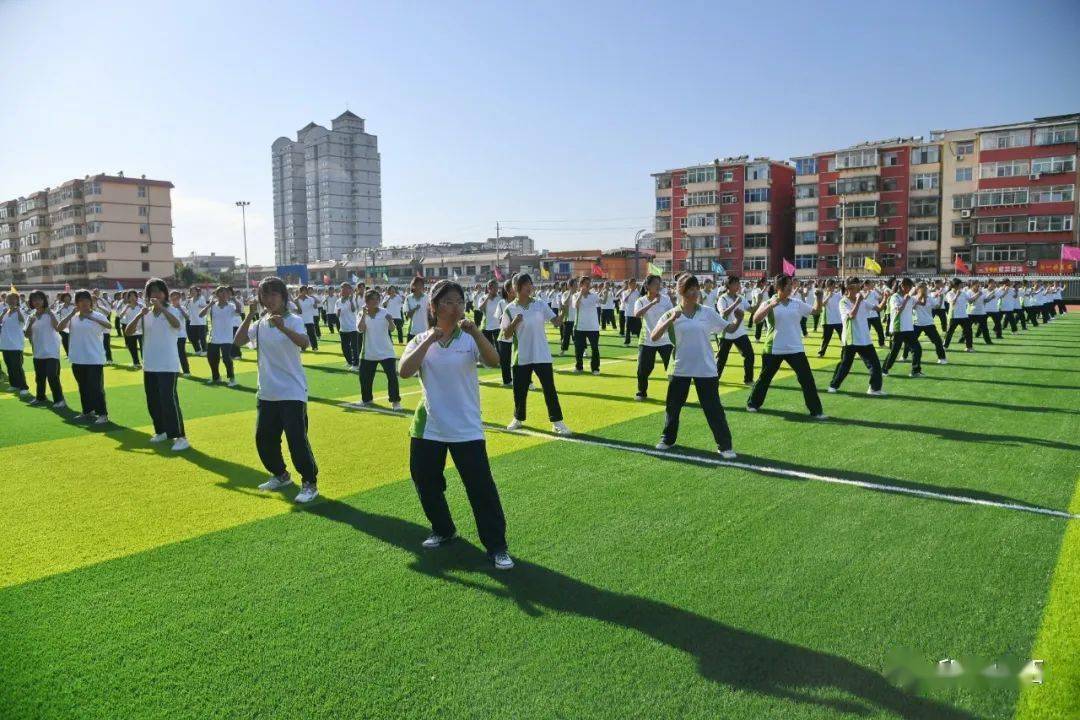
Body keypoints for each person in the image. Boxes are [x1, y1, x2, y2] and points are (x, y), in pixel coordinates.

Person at [399, 279, 513, 570]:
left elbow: (494, 361)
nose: (455, 308)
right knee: (425, 480)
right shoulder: (420, 339)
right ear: (434, 306)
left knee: (480, 488)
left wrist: (476, 332)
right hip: (429, 426)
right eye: (448, 302)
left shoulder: (469, 338)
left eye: (459, 302)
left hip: (465, 425)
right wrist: (429, 340)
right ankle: (443, 529)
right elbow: (404, 371)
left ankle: (497, 546)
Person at [233, 277, 319, 504]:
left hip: (292, 391)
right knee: (264, 439)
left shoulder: (293, 320)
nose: (269, 299)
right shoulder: (260, 323)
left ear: (283, 296)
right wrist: (250, 315)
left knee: (296, 440)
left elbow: (305, 342)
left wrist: (283, 328)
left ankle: (309, 482)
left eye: (273, 294)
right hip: (267, 391)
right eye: (265, 295)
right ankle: (280, 475)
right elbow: (238, 341)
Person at [649, 274, 737, 458]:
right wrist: (670, 320)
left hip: (705, 368)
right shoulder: (672, 313)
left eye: (696, 288)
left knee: (713, 408)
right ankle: (667, 439)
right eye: (690, 288)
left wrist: (739, 320)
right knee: (673, 407)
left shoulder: (707, 312)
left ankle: (725, 446)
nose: (695, 292)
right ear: (681, 291)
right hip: (680, 368)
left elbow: (728, 328)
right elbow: (654, 336)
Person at [501, 273, 572, 436]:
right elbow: (506, 334)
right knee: (519, 391)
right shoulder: (509, 308)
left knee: (549, 389)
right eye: (526, 284)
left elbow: (556, 322)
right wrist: (514, 322)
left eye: (530, 283)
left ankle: (557, 421)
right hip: (521, 356)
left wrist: (564, 311)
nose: (530, 287)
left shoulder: (539, 304)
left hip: (542, 354)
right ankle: (518, 418)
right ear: (516, 287)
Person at [747, 274, 825, 418]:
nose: (791, 287)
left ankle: (816, 411)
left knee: (807, 379)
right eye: (788, 285)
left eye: (791, 284)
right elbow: (756, 319)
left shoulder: (796, 303)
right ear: (778, 287)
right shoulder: (768, 302)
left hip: (795, 348)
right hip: (773, 348)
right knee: (765, 379)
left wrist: (819, 298)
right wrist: (770, 306)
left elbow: (816, 311)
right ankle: (753, 404)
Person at [126, 279, 190, 451]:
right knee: (153, 400)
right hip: (149, 363)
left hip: (168, 364)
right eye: (152, 291)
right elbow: (128, 332)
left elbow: (177, 325)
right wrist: (139, 315)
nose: (156, 294)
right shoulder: (145, 312)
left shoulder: (172, 310)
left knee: (169, 400)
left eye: (159, 291)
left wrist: (161, 308)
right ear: (148, 295)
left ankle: (180, 436)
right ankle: (161, 431)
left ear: (165, 293)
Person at [58, 290, 111, 423]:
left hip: (94, 358)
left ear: (91, 302)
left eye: (87, 300)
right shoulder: (73, 318)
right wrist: (71, 314)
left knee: (96, 387)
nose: (84, 303)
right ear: (76, 303)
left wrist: (93, 318)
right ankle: (87, 411)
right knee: (83, 386)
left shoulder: (98, 315)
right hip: (77, 358)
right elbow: (59, 327)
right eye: (80, 300)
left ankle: (102, 414)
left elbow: (109, 326)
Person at [827, 277, 884, 395]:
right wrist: (858, 301)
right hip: (851, 339)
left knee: (875, 365)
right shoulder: (843, 302)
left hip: (864, 339)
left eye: (859, 287)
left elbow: (878, 308)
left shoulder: (863, 302)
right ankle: (833, 385)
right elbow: (852, 315)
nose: (858, 290)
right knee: (845, 366)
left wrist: (886, 298)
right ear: (848, 288)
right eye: (856, 288)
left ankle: (874, 389)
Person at [356, 289, 402, 410]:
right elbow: (360, 329)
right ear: (367, 301)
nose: (376, 301)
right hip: (368, 353)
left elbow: (392, 329)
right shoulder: (361, 314)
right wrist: (364, 315)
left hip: (386, 352)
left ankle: (395, 401)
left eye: (377, 299)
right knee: (365, 378)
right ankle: (366, 399)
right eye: (373, 299)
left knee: (392, 377)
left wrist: (390, 321)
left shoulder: (384, 312)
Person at [633, 274, 673, 401]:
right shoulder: (641, 301)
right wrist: (652, 303)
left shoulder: (666, 299)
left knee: (672, 368)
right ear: (647, 286)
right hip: (647, 340)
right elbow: (636, 314)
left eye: (659, 283)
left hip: (665, 339)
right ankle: (642, 392)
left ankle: (675, 394)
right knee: (643, 369)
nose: (658, 286)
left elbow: (672, 314)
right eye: (655, 283)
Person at [23, 290, 65, 408]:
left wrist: (50, 313)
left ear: (43, 300)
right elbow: (27, 334)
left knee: (52, 375)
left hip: (52, 351)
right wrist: (31, 323)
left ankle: (59, 400)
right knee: (39, 377)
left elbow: (58, 328)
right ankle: (40, 397)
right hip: (38, 351)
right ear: (31, 302)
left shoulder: (51, 313)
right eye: (34, 300)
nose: (36, 302)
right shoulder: (31, 316)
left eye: (39, 299)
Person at [881, 278, 924, 378]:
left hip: (908, 328)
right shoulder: (894, 297)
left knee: (917, 349)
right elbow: (898, 311)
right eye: (909, 287)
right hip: (898, 328)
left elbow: (921, 303)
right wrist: (906, 299)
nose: (910, 289)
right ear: (903, 286)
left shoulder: (909, 297)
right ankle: (884, 370)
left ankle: (915, 371)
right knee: (894, 351)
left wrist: (922, 292)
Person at [715, 274, 754, 386]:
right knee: (721, 359)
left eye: (738, 283)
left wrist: (760, 303)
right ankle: (714, 379)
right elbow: (723, 314)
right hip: (726, 333)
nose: (738, 286)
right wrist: (735, 303)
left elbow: (751, 310)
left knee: (749, 355)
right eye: (736, 284)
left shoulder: (741, 297)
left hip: (740, 332)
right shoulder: (722, 298)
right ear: (729, 285)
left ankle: (748, 379)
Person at [200, 285, 241, 386]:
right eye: (221, 292)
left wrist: (235, 301)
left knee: (227, 359)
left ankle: (232, 379)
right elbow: (201, 315)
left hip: (227, 338)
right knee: (212, 359)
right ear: (217, 294)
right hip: (214, 337)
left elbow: (238, 312)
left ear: (228, 294)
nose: (223, 294)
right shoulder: (213, 306)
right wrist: (209, 305)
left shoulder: (231, 306)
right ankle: (216, 377)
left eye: (225, 292)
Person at [1, 292, 30, 396]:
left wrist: (18, 311)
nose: (11, 301)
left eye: (13, 299)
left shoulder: (20, 310)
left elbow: (23, 322)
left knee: (17, 367)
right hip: (5, 344)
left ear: (17, 300)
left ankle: (23, 387)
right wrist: (3, 313)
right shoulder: (6, 312)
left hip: (16, 345)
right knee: (9, 366)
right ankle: (14, 384)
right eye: (9, 299)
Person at [572, 275, 602, 374]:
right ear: (581, 284)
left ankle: (595, 368)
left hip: (593, 327)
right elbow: (576, 306)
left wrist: (605, 293)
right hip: (580, 327)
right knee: (579, 349)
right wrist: (581, 293)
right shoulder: (576, 295)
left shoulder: (594, 295)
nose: (588, 285)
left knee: (595, 348)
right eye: (586, 284)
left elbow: (603, 301)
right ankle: (579, 367)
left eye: (589, 284)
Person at [943, 279, 974, 352]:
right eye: (960, 284)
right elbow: (952, 303)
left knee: (968, 332)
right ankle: (944, 346)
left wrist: (978, 294)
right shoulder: (949, 293)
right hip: (954, 316)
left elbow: (970, 301)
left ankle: (969, 347)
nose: (962, 285)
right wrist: (957, 295)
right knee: (950, 332)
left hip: (964, 316)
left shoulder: (963, 293)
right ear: (956, 285)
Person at [336, 282, 361, 370]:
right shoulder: (338, 301)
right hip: (343, 328)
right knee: (344, 347)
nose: (343, 290)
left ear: (350, 290)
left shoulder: (353, 299)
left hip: (353, 327)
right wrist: (338, 313)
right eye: (342, 288)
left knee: (354, 347)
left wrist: (350, 301)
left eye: (346, 288)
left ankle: (356, 364)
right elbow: (337, 315)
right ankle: (349, 361)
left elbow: (354, 310)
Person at [496, 279, 515, 386]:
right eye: (510, 289)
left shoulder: (519, 302)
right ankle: (507, 381)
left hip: (518, 336)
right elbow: (498, 319)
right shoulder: (501, 303)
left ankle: (527, 381)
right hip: (504, 336)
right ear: (506, 290)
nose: (513, 292)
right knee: (505, 361)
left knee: (520, 360)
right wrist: (503, 318)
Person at [816, 279, 842, 356]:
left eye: (834, 286)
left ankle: (847, 352)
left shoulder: (838, 295)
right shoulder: (823, 295)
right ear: (827, 286)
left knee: (843, 337)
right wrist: (828, 296)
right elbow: (822, 304)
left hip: (838, 320)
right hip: (828, 321)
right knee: (826, 339)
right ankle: (821, 352)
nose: (833, 288)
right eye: (832, 286)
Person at [120, 290, 144, 367]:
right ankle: (136, 362)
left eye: (134, 296)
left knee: (143, 348)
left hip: (141, 330)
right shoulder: (126, 306)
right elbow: (120, 316)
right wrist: (126, 308)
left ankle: (144, 361)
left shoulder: (141, 306)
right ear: (128, 298)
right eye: (130, 296)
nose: (132, 297)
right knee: (132, 347)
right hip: (130, 330)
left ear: (137, 297)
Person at [169, 291, 191, 375]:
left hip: (181, 334)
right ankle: (175, 369)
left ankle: (186, 371)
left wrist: (180, 308)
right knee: (172, 353)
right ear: (170, 298)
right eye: (173, 297)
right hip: (171, 334)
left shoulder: (183, 308)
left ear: (179, 298)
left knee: (181, 353)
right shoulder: (168, 308)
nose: (175, 299)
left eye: (177, 298)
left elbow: (187, 318)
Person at [478, 280, 504, 348]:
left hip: (498, 326)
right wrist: (487, 299)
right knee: (488, 348)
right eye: (494, 287)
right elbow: (480, 309)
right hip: (486, 327)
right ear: (489, 288)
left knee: (499, 347)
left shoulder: (500, 298)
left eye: (497, 287)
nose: (496, 289)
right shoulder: (483, 298)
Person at [295, 286, 320, 350]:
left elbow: (315, 307)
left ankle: (314, 347)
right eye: (303, 291)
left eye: (306, 291)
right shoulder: (296, 300)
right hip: (300, 320)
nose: (305, 292)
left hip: (309, 319)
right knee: (301, 335)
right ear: (300, 292)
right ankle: (303, 347)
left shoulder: (310, 299)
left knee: (311, 334)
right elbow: (298, 311)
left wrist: (314, 301)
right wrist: (296, 302)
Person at [185, 287, 209, 355]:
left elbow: (205, 307)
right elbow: (186, 308)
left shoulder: (201, 298)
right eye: (191, 291)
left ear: (197, 292)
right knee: (192, 338)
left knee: (202, 338)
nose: (193, 292)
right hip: (192, 322)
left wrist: (202, 306)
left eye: (194, 291)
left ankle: (205, 350)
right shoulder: (189, 300)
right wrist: (187, 302)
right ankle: (197, 350)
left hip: (201, 322)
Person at [622, 278, 642, 346]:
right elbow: (624, 300)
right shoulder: (625, 292)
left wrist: (638, 291)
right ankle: (627, 342)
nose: (634, 285)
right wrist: (630, 292)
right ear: (629, 284)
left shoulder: (637, 292)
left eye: (635, 284)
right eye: (633, 284)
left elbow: (640, 300)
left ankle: (641, 342)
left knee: (639, 328)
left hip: (636, 313)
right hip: (628, 313)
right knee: (628, 329)